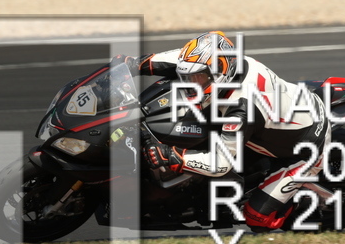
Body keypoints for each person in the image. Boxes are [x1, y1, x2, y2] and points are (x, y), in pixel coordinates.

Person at [111, 31, 330, 233]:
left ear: (220, 73)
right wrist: (132, 64)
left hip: (305, 149)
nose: (190, 84)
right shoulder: (218, 64)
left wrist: (173, 156)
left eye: (198, 79)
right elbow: (176, 60)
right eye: (188, 78)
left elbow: (220, 164)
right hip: (279, 120)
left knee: (257, 219)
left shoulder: (241, 107)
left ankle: (303, 201)